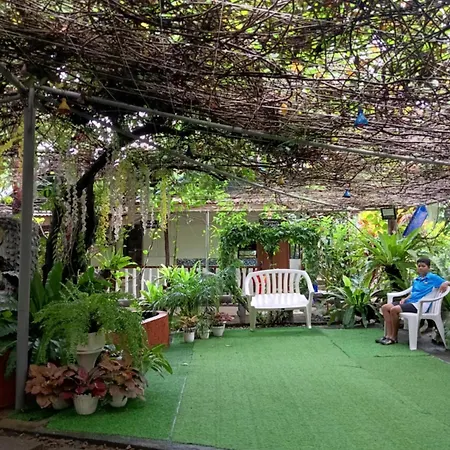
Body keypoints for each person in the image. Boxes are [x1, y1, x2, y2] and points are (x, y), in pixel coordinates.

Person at [376, 257, 449, 345]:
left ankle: (393, 337)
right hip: (410, 302)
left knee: (394, 310)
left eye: (423, 266)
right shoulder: (417, 279)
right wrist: (405, 298)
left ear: (428, 268)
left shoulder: (432, 277)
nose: (421, 268)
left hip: (419, 305)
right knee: (385, 307)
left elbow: (448, 282)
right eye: (419, 266)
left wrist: (445, 283)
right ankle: (388, 335)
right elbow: (413, 293)